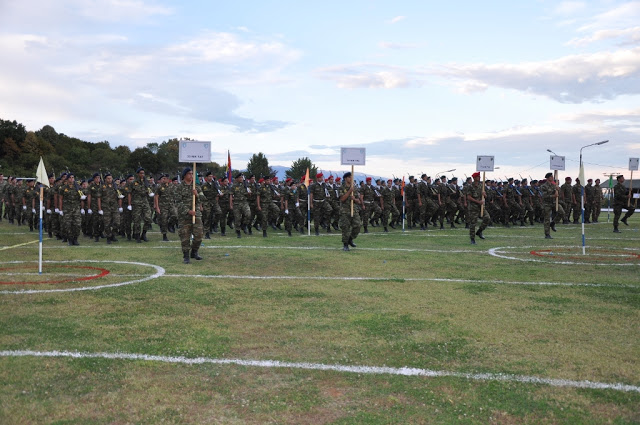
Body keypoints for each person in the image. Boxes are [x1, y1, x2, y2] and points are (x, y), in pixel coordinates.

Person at [177, 167, 204, 263]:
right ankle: (186, 256)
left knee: (199, 235)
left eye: (192, 174)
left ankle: (194, 252)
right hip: (184, 215)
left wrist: (196, 194)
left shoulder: (196, 186)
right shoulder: (179, 187)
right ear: (185, 175)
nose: (191, 175)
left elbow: (203, 199)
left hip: (196, 214)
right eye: (189, 174)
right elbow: (178, 202)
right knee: (185, 236)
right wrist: (188, 211)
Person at [128, 167, 153, 243]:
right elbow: (129, 193)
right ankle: (137, 235)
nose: (142, 174)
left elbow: (149, 190)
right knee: (137, 220)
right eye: (141, 173)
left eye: (143, 173)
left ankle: (144, 234)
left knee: (148, 218)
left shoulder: (146, 182)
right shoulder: (134, 183)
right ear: (138, 174)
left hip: (145, 202)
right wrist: (129, 204)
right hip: (136, 203)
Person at [339, 172, 360, 251]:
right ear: (345, 178)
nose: (351, 179)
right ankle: (345, 244)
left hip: (353, 210)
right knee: (345, 228)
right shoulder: (341, 187)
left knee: (357, 225)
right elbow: (342, 199)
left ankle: (350, 239)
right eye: (349, 177)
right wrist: (349, 191)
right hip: (344, 210)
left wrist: (354, 199)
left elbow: (358, 201)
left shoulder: (354, 187)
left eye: (352, 177)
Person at [466, 172, 490, 244]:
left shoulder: (481, 186)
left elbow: (485, 196)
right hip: (473, 207)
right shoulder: (470, 186)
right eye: (478, 177)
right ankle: (472, 239)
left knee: (487, 218)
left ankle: (479, 231)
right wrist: (477, 201)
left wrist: (484, 195)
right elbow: (469, 197)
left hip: (481, 206)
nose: (479, 178)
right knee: (473, 223)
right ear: (474, 178)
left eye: (479, 176)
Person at [540, 172, 565, 239]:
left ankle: (553, 223)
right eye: (551, 177)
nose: (552, 177)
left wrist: (558, 190)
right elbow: (544, 196)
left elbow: (558, 194)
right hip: (547, 203)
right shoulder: (544, 186)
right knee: (547, 219)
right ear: (548, 178)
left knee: (562, 212)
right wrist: (553, 195)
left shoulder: (554, 185)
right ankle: (547, 234)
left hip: (554, 202)